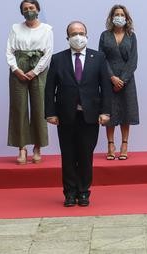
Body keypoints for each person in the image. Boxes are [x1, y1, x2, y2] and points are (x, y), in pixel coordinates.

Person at [44, 21, 112, 207]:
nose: (78, 36)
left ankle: (83, 192)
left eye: (81, 33)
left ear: (87, 35)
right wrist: (50, 112)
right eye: (74, 33)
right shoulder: (58, 59)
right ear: (67, 38)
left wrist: (106, 111)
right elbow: (50, 88)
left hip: (90, 116)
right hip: (65, 116)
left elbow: (105, 87)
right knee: (68, 155)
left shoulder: (98, 57)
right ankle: (69, 193)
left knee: (85, 155)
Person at [6, 0, 53, 165]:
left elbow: (48, 53)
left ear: (38, 9)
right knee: (19, 107)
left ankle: (38, 147)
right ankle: (22, 147)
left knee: (39, 106)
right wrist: (16, 69)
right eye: (25, 8)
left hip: (38, 68)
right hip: (18, 66)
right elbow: (9, 50)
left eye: (31, 7)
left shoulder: (47, 29)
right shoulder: (15, 28)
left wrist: (34, 71)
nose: (28, 11)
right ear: (21, 11)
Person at [98, 5, 139, 161]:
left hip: (127, 80)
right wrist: (112, 77)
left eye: (122, 14)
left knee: (125, 112)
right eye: (116, 14)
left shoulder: (131, 36)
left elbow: (134, 60)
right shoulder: (104, 35)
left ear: (126, 18)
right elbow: (101, 58)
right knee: (110, 112)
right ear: (111, 17)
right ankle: (110, 145)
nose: (119, 17)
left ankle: (124, 145)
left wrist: (123, 79)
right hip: (108, 79)